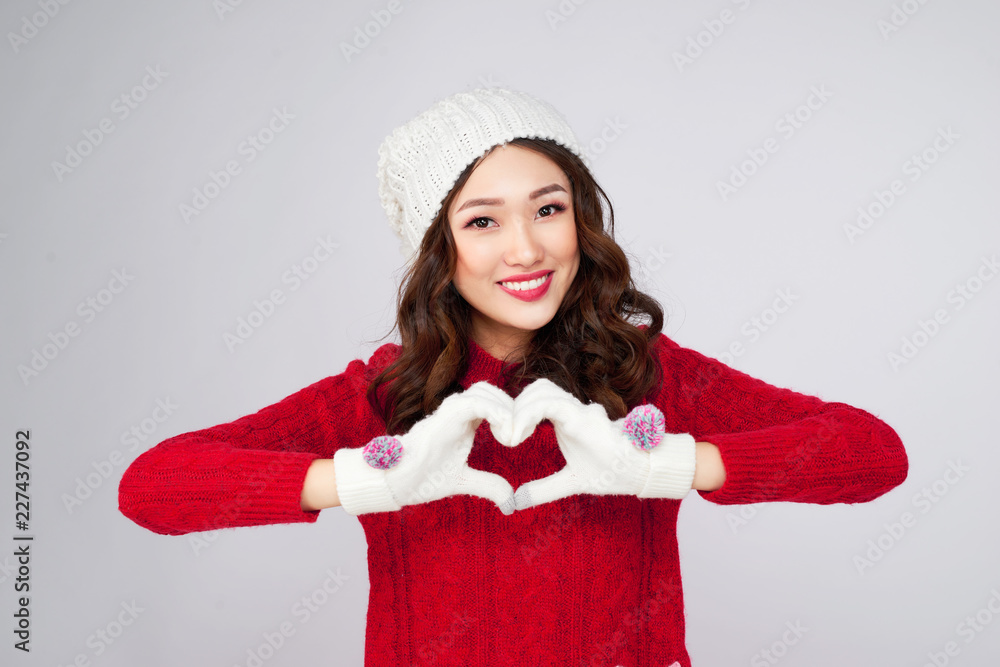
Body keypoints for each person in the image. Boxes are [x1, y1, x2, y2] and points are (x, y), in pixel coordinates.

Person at [118, 88, 908, 666]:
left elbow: (872, 452)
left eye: (550, 208)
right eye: (483, 220)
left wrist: (668, 465)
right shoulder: (385, 396)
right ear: (439, 247)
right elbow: (151, 486)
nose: (526, 249)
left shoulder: (645, 374)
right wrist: (365, 479)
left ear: (581, 220)